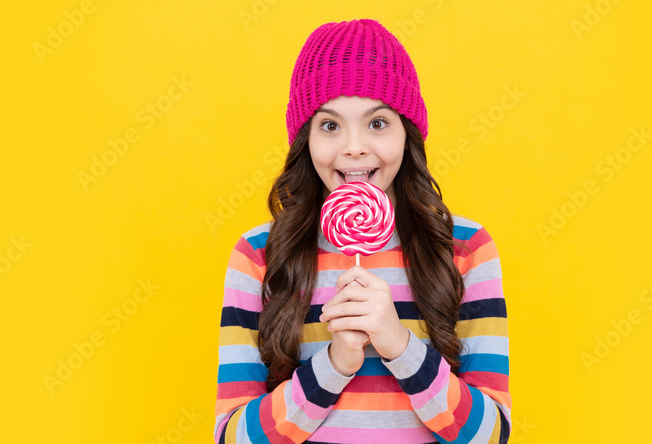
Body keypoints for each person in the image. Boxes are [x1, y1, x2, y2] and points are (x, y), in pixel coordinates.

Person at [213, 19, 511, 443]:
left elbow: (490, 433)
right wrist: (333, 365)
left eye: (377, 123)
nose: (354, 146)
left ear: (406, 134)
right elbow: (233, 437)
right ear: (306, 140)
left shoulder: (464, 248)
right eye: (330, 125)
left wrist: (399, 346)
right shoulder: (259, 254)